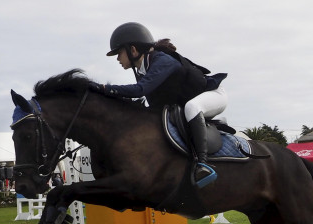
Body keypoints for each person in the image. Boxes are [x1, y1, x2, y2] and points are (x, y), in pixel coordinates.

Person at [93, 22, 228, 188]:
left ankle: (203, 165)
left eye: (119, 52)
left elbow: (140, 90)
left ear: (133, 50)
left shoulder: (162, 60)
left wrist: (104, 89)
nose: (118, 59)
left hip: (214, 96)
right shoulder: (144, 70)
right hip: (188, 104)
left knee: (192, 107)